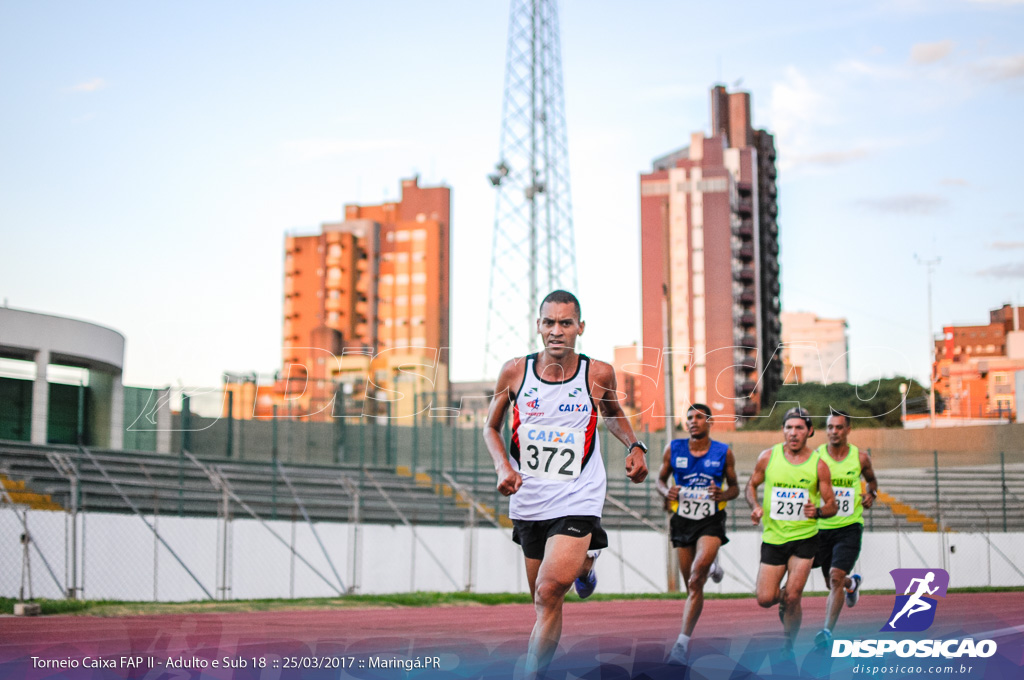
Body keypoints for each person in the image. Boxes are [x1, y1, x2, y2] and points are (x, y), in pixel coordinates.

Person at [483, 290, 649, 677]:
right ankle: (587, 564)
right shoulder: (514, 372)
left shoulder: (598, 373)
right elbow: (491, 427)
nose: (556, 331)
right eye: (549, 323)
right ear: (538, 326)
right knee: (543, 603)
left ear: (580, 327)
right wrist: (502, 467)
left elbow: (612, 413)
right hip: (530, 499)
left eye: (565, 323)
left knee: (548, 590)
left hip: (579, 495)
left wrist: (635, 445)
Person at [746, 407, 837, 657]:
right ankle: (784, 599)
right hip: (774, 539)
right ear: (783, 430)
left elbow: (832, 506)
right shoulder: (768, 457)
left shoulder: (819, 465)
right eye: (789, 428)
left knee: (794, 596)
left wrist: (816, 512)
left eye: (799, 428)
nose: (793, 433)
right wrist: (754, 507)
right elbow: (751, 486)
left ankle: (788, 646)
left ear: (809, 431)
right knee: (765, 598)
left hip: (805, 538)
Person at [656, 404, 739, 664]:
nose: (693, 421)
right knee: (692, 586)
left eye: (699, 417)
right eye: (689, 417)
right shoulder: (674, 449)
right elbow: (660, 480)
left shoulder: (723, 452)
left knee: (695, 578)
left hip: (710, 520)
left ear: (709, 421)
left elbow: (735, 487)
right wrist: (665, 491)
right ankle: (710, 564)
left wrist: (723, 494)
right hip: (682, 520)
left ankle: (681, 644)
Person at [812, 410, 878, 649]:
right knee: (833, 584)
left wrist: (872, 495)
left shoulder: (860, 458)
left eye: (839, 427)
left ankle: (826, 632)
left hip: (849, 526)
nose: (833, 432)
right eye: (830, 427)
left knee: (834, 576)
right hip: (821, 528)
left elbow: (872, 481)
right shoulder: (816, 456)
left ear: (848, 429)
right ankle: (852, 584)